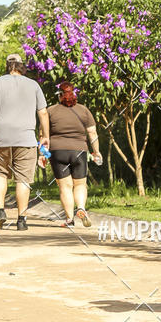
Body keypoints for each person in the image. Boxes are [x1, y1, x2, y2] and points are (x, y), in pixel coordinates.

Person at [0, 53, 49, 231]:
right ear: (22, 66)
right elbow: (43, 113)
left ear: (7, 66)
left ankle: (1, 211)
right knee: (23, 179)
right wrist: (45, 135)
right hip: (26, 138)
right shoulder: (33, 85)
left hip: (0, 136)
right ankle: (21, 219)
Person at [45, 82, 102, 228]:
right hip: (79, 151)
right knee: (80, 184)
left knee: (65, 187)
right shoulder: (83, 110)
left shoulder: (50, 111)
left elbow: (43, 135)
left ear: (60, 95)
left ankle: (69, 219)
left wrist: (42, 154)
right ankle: (81, 208)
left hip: (58, 152)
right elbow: (92, 132)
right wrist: (96, 151)